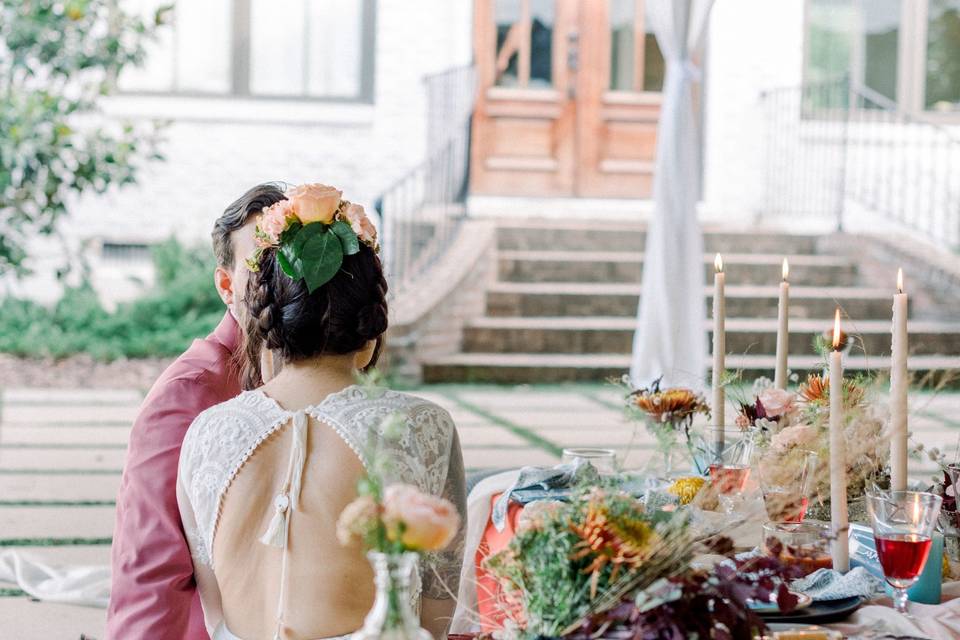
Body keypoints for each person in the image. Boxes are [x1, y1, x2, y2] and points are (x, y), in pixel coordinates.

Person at [176, 184, 466, 640]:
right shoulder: (422, 425)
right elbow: (438, 607)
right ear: (371, 330)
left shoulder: (206, 432)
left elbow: (214, 608)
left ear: (269, 324)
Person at [107, 184, 288, 640]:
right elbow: (147, 568)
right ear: (227, 286)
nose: (283, 284)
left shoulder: (323, 376)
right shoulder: (187, 393)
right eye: (262, 268)